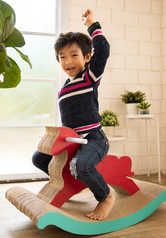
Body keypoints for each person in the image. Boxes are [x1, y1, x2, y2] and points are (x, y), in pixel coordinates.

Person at [32, 9, 114, 221]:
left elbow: (103, 50)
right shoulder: (64, 88)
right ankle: (68, 183)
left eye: (74, 55)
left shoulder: (89, 76)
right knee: (39, 158)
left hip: (94, 139)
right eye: (62, 57)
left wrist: (91, 24)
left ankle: (105, 197)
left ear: (87, 57)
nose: (67, 61)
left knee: (80, 165)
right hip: (73, 141)